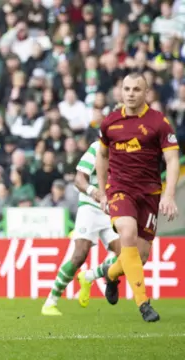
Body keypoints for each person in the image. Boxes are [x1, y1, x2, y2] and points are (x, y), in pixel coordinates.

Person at [95, 73, 180, 322]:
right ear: (121, 91)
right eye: (126, 88)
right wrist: (102, 192)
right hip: (120, 189)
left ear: (146, 93)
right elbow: (102, 156)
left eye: (136, 89)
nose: (130, 93)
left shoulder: (159, 122)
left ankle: (110, 275)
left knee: (140, 256)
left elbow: (172, 159)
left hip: (150, 193)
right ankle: (144, 303)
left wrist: (169, 194)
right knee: (127, 232)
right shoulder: (110, 122)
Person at [41, 141, 122, 316]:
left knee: (125, 254)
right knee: (79, 255)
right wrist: (95, 193)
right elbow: (79, 179)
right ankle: (51, 301)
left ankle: (89, 276)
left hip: (111, 208)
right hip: (90, 206)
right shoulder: (97, 147)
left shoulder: (128, 149)